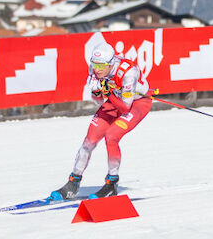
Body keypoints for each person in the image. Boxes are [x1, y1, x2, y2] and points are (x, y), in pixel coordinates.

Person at [50, 42, 153, 200]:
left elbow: (125, 108)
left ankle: (111, 184)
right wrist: (98, 91)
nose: (96, 69)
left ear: (110, 64)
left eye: (101, 66)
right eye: (94, 64)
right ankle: (73, 182)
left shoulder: (128, 72)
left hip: (137, 103)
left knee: (111, 136)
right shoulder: (95, 68)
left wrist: (108, 92)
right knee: (89, 141)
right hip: (115, 100)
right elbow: (98, 100)